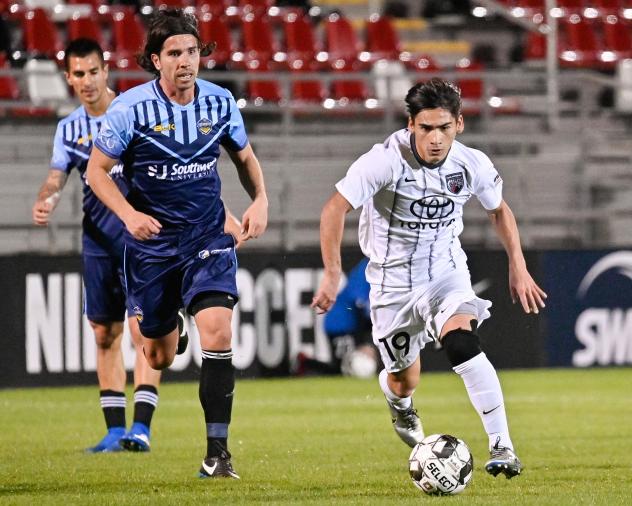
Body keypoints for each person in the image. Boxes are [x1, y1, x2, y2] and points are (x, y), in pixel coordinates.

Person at [312, 78, 546, 479]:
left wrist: (518, 266)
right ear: (410, 125)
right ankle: (399, 404)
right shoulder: (383, 161)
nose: (435, 139)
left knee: (462, 341)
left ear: (459, 124)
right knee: (405, 380)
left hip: (445, 271)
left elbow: (499, 210)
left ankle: (502, 445)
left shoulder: (471, 164)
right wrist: (332, 273)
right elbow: (334, 209)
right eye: (426, 129)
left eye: (443, 128)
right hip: (390, 284)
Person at [86, 9, 268, 479]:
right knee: (157, 354)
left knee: (220, 333)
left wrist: (261, 200)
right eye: (174, 53)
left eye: (192, 51)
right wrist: (129, 215)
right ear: (155, 59)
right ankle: (171, 328)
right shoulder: (129, 110)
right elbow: (95, 173)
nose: (186, 61)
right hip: (153, 249)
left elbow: (244, 158)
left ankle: (217, 453)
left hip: (208, 236)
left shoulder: (220, 101)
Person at [31, 38, 189, 453]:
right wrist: (47, 196)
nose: (87, 81)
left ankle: (142, 428)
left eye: (93, 71)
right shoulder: (69, 128)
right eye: (78, 74)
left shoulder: (133, 112)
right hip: (99, 245)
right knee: (104, 335)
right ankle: (115, 431)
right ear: (69, 79)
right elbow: (56, 175)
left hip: (142, 244)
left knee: (144, 334)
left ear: (106, 71)